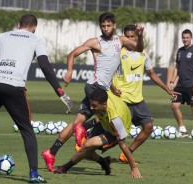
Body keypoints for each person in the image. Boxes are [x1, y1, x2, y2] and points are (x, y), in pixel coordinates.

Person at [0, 14, 72, 183]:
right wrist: (60, 92)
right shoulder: (36, 40)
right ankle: (33, 174)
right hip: (13, 86)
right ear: (34, 27)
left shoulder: (3, 36)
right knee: (27, 130)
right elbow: (45, 66)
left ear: (19, 25)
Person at [42, 12, 144, 172]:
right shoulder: (95, 42)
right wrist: (69, 72)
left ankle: (51, 152)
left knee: (77, 122)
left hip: (101, 88)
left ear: (114, 25)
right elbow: (72, 54)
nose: (106, 28)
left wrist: (140, 35)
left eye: (108, 25)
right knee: (108, 115)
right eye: (103, 26)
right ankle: (85, 129)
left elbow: (138, 49)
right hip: (95, 88)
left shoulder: (121, 40)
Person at [111, 24, 180, 164]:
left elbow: (152, 74)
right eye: (127, 37)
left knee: (148, 127)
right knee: (113, 133)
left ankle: (126, 154)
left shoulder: (143, 54)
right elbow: (108, 73)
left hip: (138, 100)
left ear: (137, 37)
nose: (130, 39)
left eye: (133, 37)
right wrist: (112, 88)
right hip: (122, 100)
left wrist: (167, 89)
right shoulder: (118, 54)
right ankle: (88, 141)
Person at [54, 88, 142, 178]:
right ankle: (104, 162)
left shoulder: (115, 119)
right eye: (91, 104)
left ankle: (65, 168)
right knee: (81, 148)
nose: (91, 108)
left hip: (114, 133)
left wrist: (134, 167)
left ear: (104, 104)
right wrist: (85, 127)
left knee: (87, 145)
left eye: (94, 105)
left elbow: (123, 144)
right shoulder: (102, 96)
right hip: (104, 123)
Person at [169, 29, 193, 137]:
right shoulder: (179, 51)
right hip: (179, 86)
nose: (185, 39)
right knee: (174, 106)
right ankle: (183, 130)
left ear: (191, 38)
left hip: (191, 85)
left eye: (187, 37)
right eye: (184, 37)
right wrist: (172, 81)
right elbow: (177, 68)